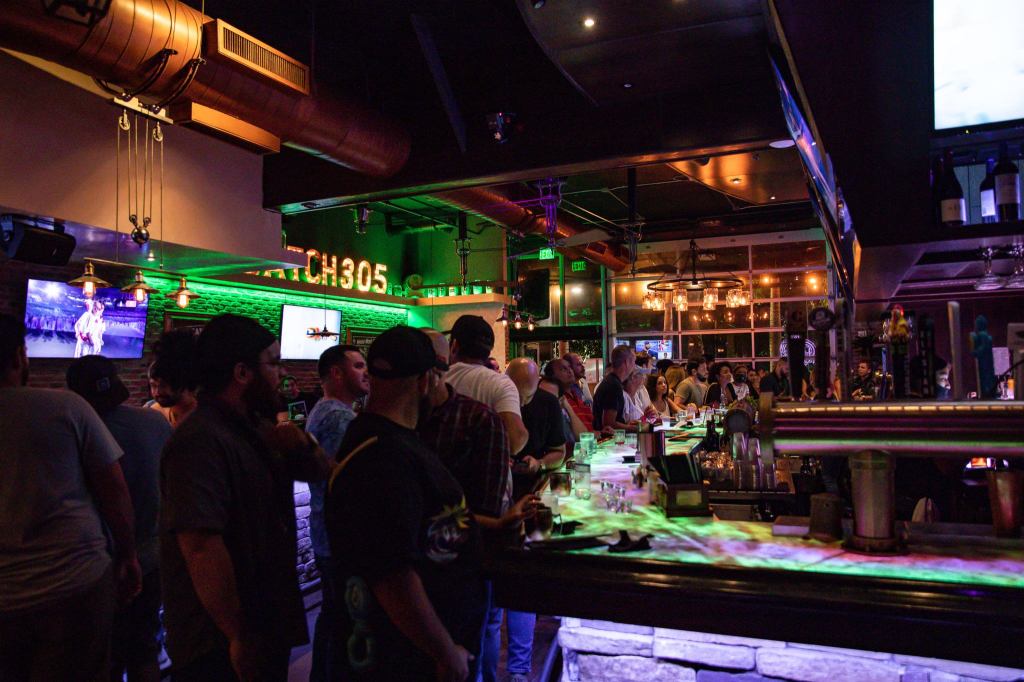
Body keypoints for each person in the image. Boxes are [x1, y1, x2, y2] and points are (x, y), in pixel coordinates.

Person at [160, 314, 331, 681]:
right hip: (218, 639)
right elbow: (201, 546)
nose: (281, 373)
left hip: (263, 618)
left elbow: (320, 472)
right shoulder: (200, 441)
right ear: (242, 372)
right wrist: (237, 634)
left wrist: (302, 444)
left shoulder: (256, 428)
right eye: (273, 362)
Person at [326, 325, 484, 682]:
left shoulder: (380, 441)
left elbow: (422, 523)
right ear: (426, 380)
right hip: (405, 661)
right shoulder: (385, 456)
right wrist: (443, 651)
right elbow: (392, 574)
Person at [0, 313, 141, 682]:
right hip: (74, 582)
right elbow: (114, 490)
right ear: (19, 357)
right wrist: (127, 555)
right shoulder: (66, 408)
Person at [420, 332, 538, 682]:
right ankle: (507, 672)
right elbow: (516, 437)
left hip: (435, 535)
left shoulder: (409, 415)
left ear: (456, 346)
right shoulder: (495, 391)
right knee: (486, 613)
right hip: (478, 526)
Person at [66, 355, 173, 682]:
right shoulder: (154, 422)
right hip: (152, 556)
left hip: (95, 563)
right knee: (144, 649)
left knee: (101, 657)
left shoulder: (73, 431)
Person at [305, 344, 369, 682]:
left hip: (323, 529)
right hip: (337, 532)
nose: (366, 372)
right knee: (345, 621)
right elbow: (359, 475)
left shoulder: (323, 409)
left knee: (331, 617)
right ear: (337, 373)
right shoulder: (340, 416)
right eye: (359, 366)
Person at [503, 357, 566, 682]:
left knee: (522, 584)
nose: (522, 401)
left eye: (527, 395)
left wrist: (539, 463)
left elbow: (560, 451)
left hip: (531, 496)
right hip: (495, 500)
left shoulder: (547, 403)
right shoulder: (496, 396)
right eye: (517, 394)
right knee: (499, 591)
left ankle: (518, 670)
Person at [445, 315, 528, 454]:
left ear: (454, 346)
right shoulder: (500, 384)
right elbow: (515, 441)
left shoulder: (435, 380)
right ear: (489, 351)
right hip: (488, 471)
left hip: (441, 473)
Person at [149, 329, 198, 428]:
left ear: (184, 380)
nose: (157, 392)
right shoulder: (153, 412)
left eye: (164, 385)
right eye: (153, 385)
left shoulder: (204, 420)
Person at [592, 345, 636, 432]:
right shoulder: (613, 386)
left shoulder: (611, 381)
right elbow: (609, 423)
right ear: (627, 362)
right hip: (608, 442)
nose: (634, 366)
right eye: (634, 362)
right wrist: (635, 428)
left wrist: (626, 424)